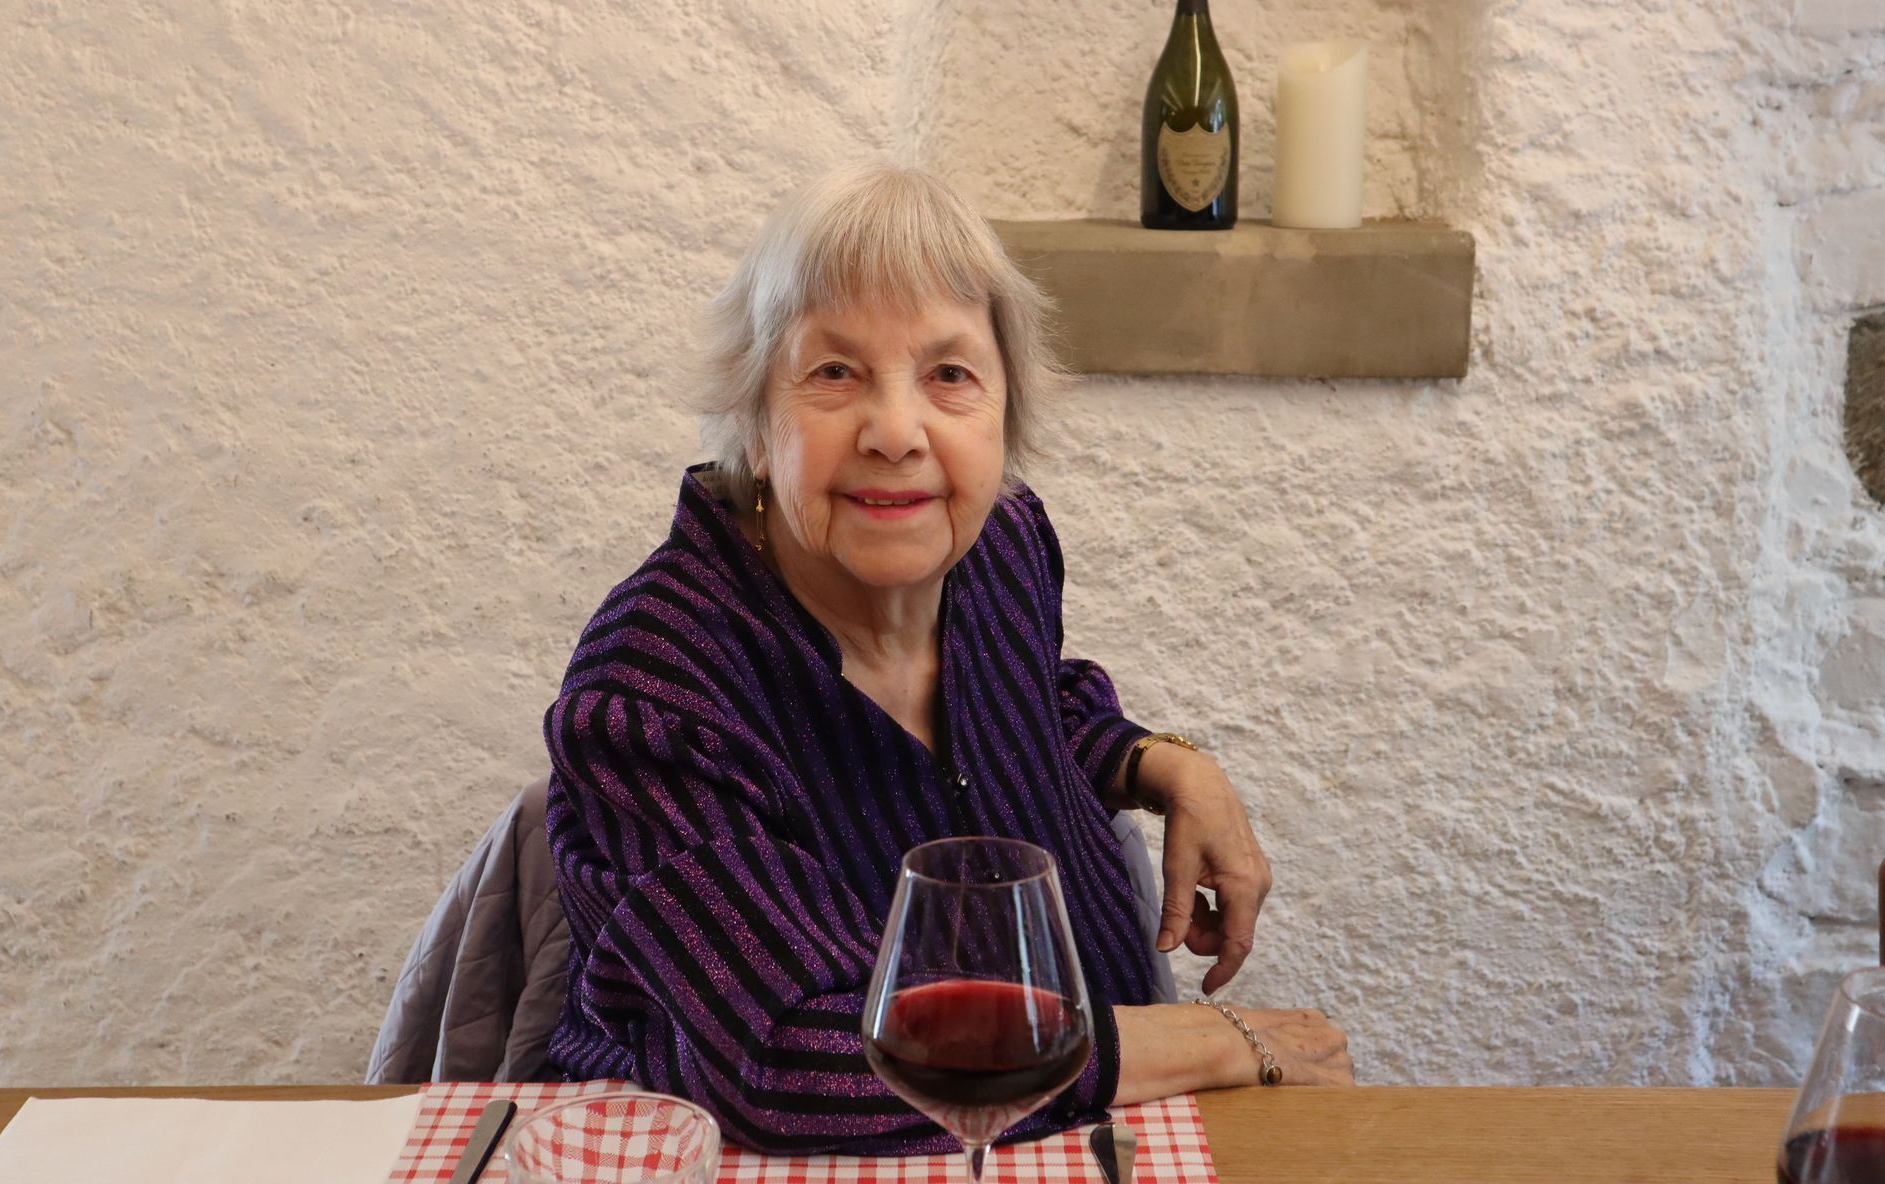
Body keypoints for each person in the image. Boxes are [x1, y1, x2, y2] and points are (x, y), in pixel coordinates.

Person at [542, 162, 1352, 1153]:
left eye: (949, 374)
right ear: (755, 420)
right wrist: (1217, 1036)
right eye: (833, 372)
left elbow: (1032, 702)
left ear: (1007, 410)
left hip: (1068, 1123)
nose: (895, 432)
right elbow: (793, 1059)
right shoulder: (653, 690)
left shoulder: (1001, 546)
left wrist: (1163, 760)